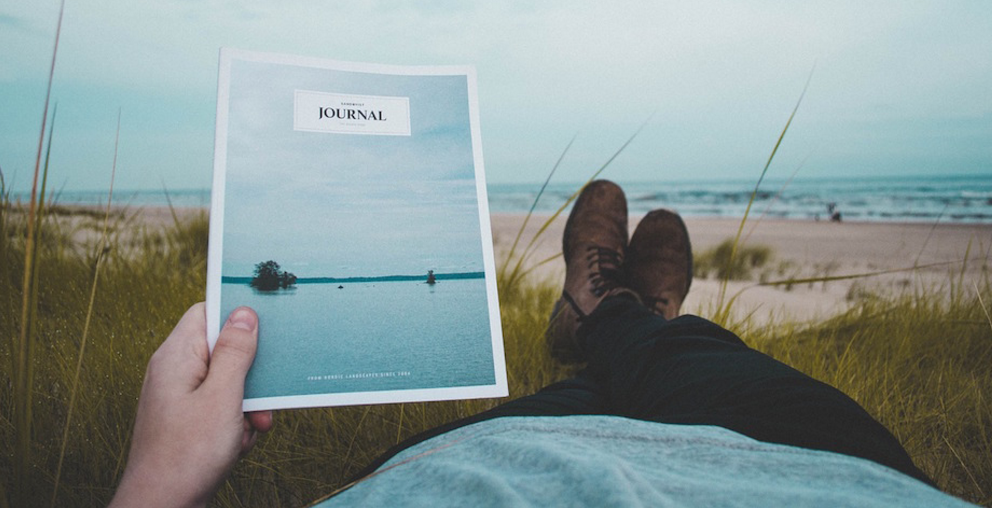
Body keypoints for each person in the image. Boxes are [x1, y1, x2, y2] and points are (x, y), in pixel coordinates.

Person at [110, 181, 974, 507]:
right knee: (701, 363)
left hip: (495, 467)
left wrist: (154, 485)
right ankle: (628, 319)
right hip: (826, 473)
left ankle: (608, 318)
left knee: (594, 398)